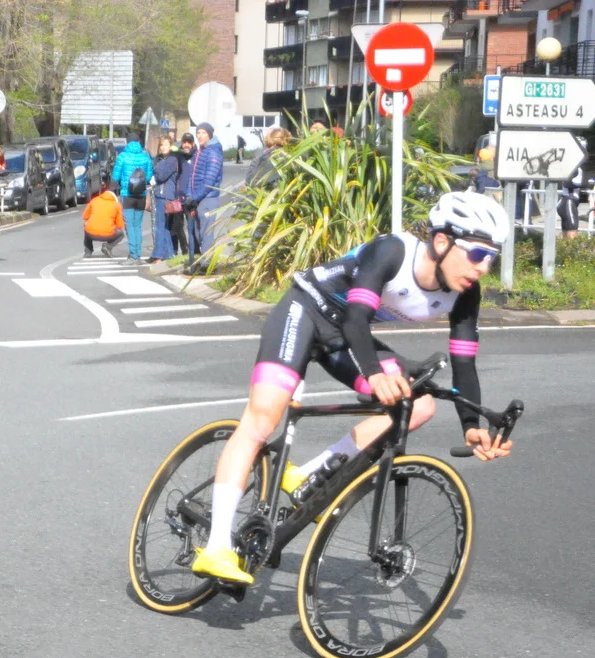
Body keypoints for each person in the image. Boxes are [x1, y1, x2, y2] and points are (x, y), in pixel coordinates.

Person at [190, 192, 514, 584]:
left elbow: (464, 364)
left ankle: (309, 473)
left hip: (343, 337)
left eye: (492, 258)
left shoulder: (465, 293)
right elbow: (356, 318)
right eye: (477, 254)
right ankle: (216, 547)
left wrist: (471, 426)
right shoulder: (393, 252)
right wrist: (375, 373)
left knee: (420, 404)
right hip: (305, 312)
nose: (483, 267)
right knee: (261, 421)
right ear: (442, 242)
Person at [110, 131, 154, 265]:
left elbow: (115, 177)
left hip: (127, 194)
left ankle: (133, 256)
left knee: (129, 226)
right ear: (139, 142)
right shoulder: (146, 157)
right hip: (141, 195)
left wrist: (111, 190)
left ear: (127, 142)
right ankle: (137, 255)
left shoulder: (122, 157)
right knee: (137, 226)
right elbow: (149, 176)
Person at [182, 122, 224, 254]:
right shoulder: (200, 151)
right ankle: (202, 260)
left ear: (210, 134)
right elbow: (192, 176)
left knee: (206, 233)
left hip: (208, 198)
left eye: (203, 133)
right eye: (198, 133)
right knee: (198, 232)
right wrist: (189, 194)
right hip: (198, 198)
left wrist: (194, 197)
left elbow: (209, 181)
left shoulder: (213, 152)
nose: (200, 135)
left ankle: (207, 262)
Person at [150, 136, 180, 262]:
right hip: (161, 194)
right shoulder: (163, 159)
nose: (163, 147)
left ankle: (159, 255)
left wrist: (156, 168)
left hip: (166, 196)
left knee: (160, 226)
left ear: (171, 146)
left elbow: (161, 176)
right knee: (165, 226)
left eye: (166, 144)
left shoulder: (172, 159)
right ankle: (170, 254)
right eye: (161, 145)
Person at [82, 181, 125, 258]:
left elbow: (85, 216)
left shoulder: (94, 200)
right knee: (121, 234)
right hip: (108, 234)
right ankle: (108, 246)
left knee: (86, 225)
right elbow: (120, 225)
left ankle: (88, 251)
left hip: (91, 233)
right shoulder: (117, 205)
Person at [175, 133, 196, 257]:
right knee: (178, 226)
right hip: (178, 198)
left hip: (191, 198)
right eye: (185, 142)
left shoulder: (197, 156)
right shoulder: (178, 157)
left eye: (189, 142)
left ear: (193, 144)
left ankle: (194, 251)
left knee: (192, 226)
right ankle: (184, 250)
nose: (187, 145)